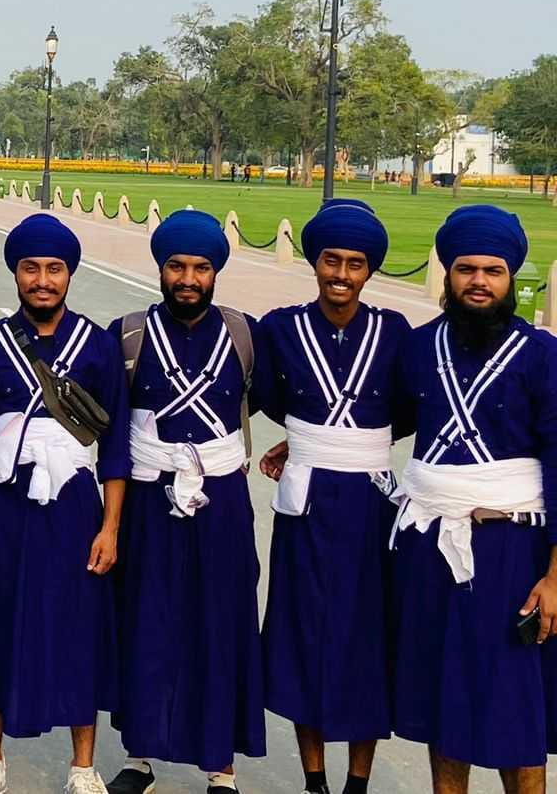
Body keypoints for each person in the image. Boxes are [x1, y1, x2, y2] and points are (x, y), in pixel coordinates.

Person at [0, 214, 130, 794]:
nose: (43, 280)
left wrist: (111, 527)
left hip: (74, 508)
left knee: (79, 628)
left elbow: (117, 446)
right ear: (17, 275)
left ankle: (82, 768)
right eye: (32, 269)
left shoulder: (98, 347)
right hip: (3, 507)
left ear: (69, 275)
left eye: (54, 270)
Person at [390, 205, 557, 793]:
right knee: (445, 703)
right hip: (432, 549)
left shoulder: (543, 355)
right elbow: (380, 421)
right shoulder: (415, 349)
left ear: (512, 278)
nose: (479, 282)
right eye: (466, 269)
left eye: (493, 271)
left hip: (513, 549)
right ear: (448, 274)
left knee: (516, 710)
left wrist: (556, 576)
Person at [106, 210, 265, 794]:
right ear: (161, 270)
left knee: (220, 621)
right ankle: (140, 755)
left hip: (222, 497)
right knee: (146, 618)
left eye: (200, 267)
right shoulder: (127, 333)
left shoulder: (245, 334)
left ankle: (221, 768)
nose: (188, 278)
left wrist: (286, 449)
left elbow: (281, 399)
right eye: (177, 266)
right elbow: (109, 424)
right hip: (149, 498)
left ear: (215, 272)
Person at [253, 200, 406, 794]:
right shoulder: (281, 327)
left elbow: (411, 406)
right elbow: (265, 392)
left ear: (370, 271)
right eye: (331, 260)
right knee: (304, 637)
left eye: (356, 264)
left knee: (366, 639)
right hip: (308, 506)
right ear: (315, 262)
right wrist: (305, 441)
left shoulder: (392, 331)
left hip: (370, 506)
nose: (341, 274)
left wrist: (349, 444)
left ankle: (357, 784)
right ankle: (314, 780)